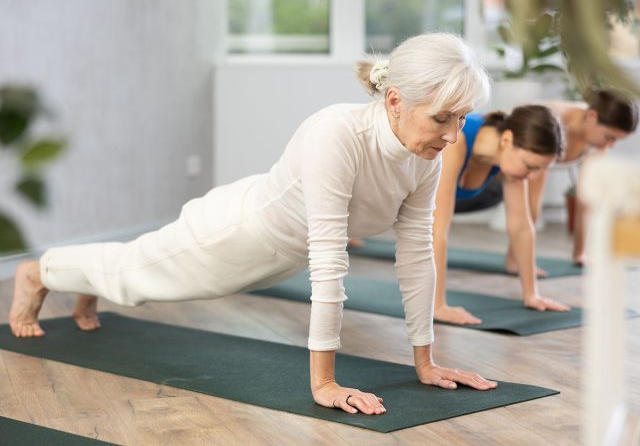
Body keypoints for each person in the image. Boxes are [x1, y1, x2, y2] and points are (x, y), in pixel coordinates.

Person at [8, 33, 498, 416]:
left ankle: (89, 281)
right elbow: (330, 260)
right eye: (441, 119)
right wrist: (324, 383)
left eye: (462, 119)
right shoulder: (337, 133)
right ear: (394, 100)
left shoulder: (425, 157)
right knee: (133, 279)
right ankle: (39, 272)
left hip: (282, 253)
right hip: (233, 236)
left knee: (132, 272)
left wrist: (425, 361)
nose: (454, 136)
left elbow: (415, 253)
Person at [433, 105, 571, 325]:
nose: (533, 176)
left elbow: (521, 227)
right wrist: (438, 305)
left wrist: (531, 294)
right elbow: (436, 231)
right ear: (506, 140)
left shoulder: (509, 160)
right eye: (530, 166)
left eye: (539, 170)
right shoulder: (456, 140)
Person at [531, 90, 638, 267]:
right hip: (497, 168)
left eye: (617, 141)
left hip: (529, 169)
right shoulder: (552, 119)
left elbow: (585, 198)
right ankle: (515, 258)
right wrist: (522, 262)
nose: (611, 145)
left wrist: (580, 255)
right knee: (533, 205)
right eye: (610, 137)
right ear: (592, 116)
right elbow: (532, 200)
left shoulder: (598, 141)